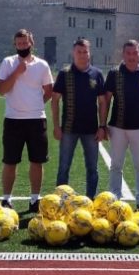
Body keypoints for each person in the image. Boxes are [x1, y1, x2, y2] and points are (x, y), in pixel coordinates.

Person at [0, 29, 54, 212]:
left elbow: (49, 91)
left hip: (36, 120)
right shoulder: (8, 62)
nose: (22, 46)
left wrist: (35, 105)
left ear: (31, 43)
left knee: (37, 161)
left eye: (25, 43)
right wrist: (16, 73)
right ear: (15, 44)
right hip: (13, 120)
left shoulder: (42, 65)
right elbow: (1, 90)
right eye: (19, 43)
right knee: (10, 161)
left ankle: (34, 199)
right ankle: (6, 199)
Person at [102, 40, 139, 210]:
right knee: (116, 164)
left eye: (135, 53)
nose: (131, 57)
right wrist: (102, 124)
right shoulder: (114, 73)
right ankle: (115, 197)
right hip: (117, 127)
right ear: (123, 54)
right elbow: (106, 100)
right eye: (128, 53)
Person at [51, 38, 106, 198]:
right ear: (73, 53)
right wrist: (56, 126)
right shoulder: (64, 74)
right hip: (68, 129)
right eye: (79, 52)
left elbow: (102, 102)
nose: (82, 55)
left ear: (90, 53)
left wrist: (102, 126)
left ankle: (90, 200)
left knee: (92, 169)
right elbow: (55, 100)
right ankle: (61, 200)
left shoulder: (96, 74)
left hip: (91, 130)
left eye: (85, 52)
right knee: (64, 167)